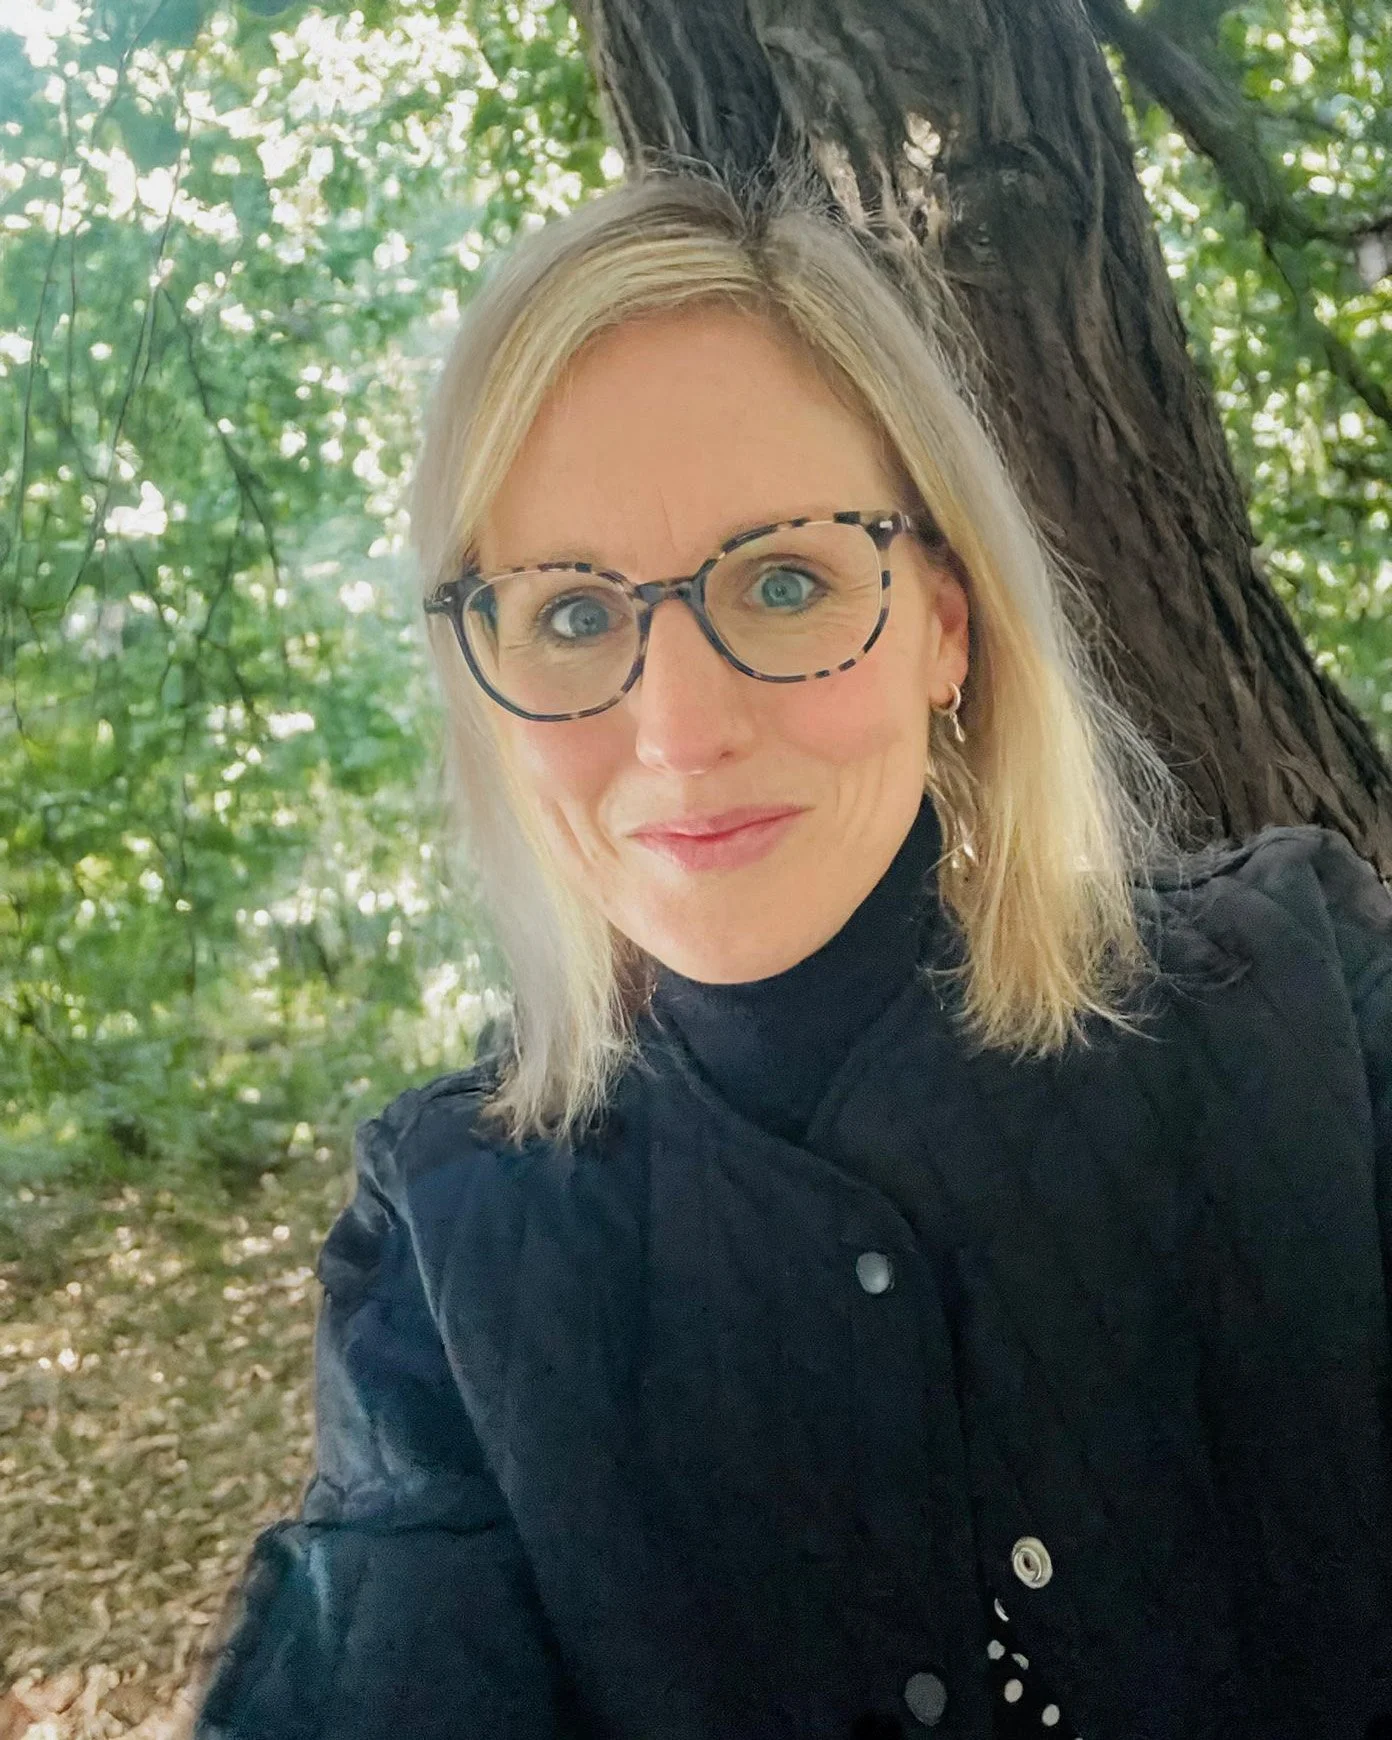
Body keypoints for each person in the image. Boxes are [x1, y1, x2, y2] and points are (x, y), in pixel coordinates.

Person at [189, 164, 1392, 1740]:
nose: (679, 730)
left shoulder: (1303, 1010)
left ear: (946, 625)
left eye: (783, 580)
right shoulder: (444, 1245)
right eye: (571, 616)